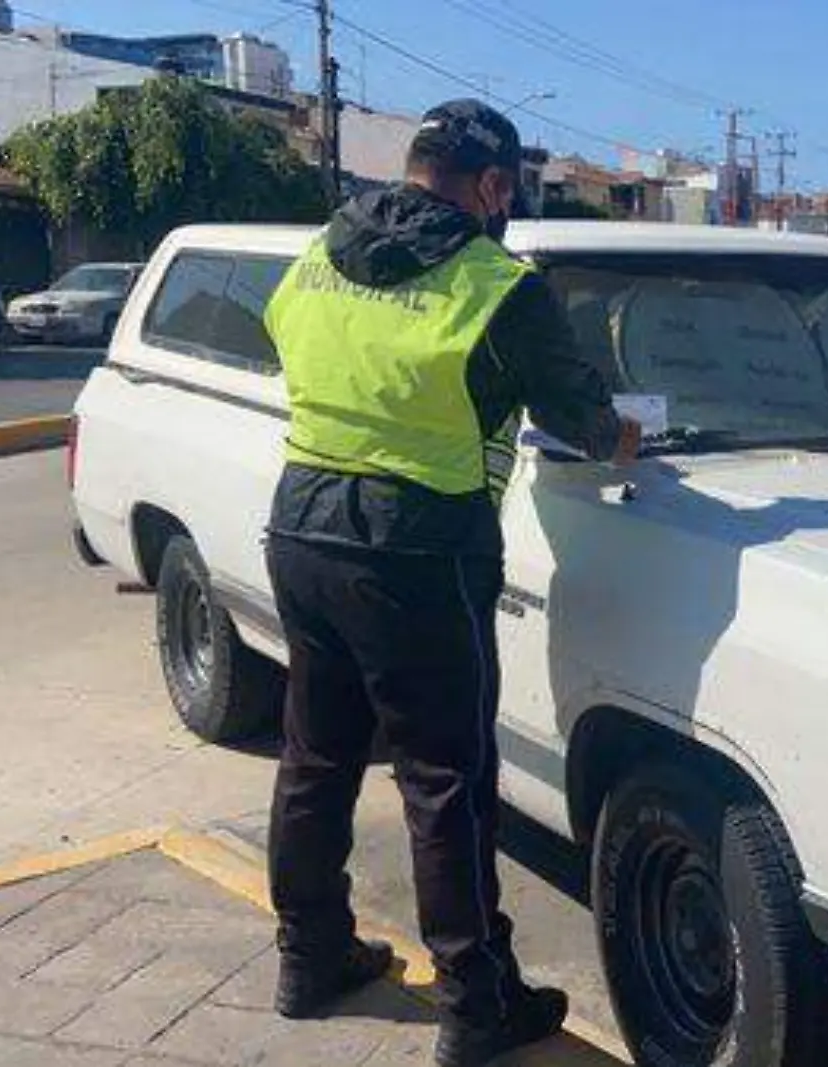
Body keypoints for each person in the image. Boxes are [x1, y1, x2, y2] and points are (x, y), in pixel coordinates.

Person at [261, 99, 640, 1066]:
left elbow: (298, 349)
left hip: (302, 523)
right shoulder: (496, 283)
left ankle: (308, 960)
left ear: (411, 166)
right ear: (492, 186)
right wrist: (632, 432)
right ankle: (478, 1005)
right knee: (445, 784)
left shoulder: (317, 254)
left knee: (316, 758)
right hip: (420, 548)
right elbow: (589, 421)